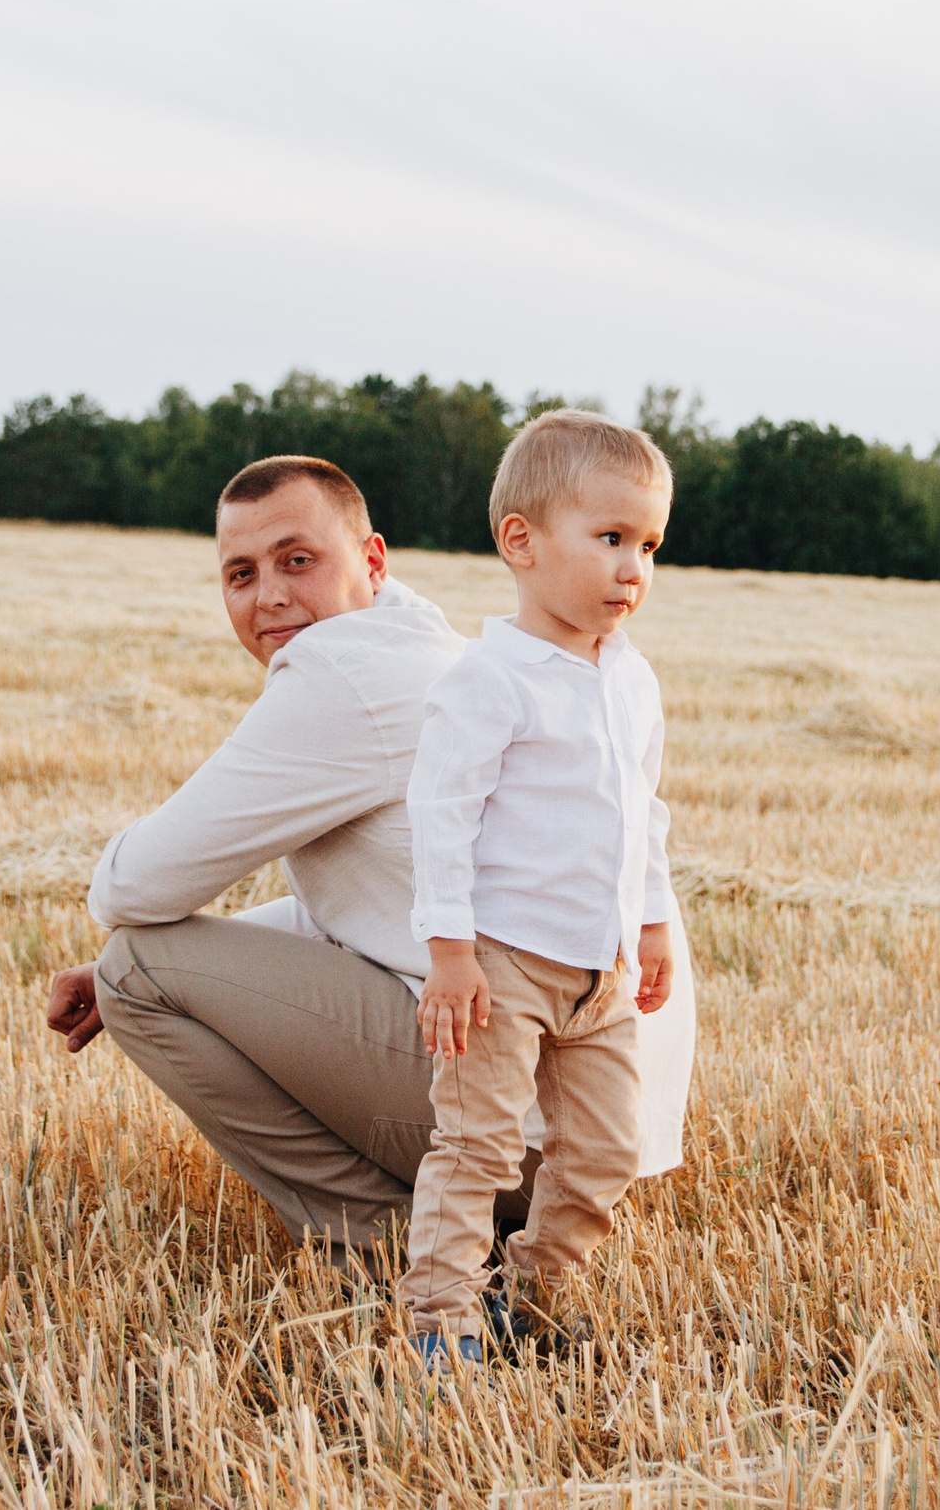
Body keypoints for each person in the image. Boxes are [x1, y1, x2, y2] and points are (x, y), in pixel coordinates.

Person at [41, 454, 695, 1260]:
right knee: (145, 966)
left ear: (373, 560)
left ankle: (384, 1235)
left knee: (136, 966)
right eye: (239, 573)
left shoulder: (346, 675)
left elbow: (131, 887)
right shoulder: (432, 647)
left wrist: (149, 968)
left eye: (298, 559)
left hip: (520, 1127)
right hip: (598, 1117)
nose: (270, 593)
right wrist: (212, 972)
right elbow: (361, 915)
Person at [399, 410, 678, 1367]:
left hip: (598, 973)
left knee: (603, 1153)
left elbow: (643, 811)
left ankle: (542, 1299)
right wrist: (449, 953)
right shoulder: (491, 679)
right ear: (521, 541)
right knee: (476, 1146)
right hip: (503, 965)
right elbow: (440, 817)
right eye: (609, 539)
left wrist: (650, 922)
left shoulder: (632, 681)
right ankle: (441, 1323)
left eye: (648, 545)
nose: (632, 568)